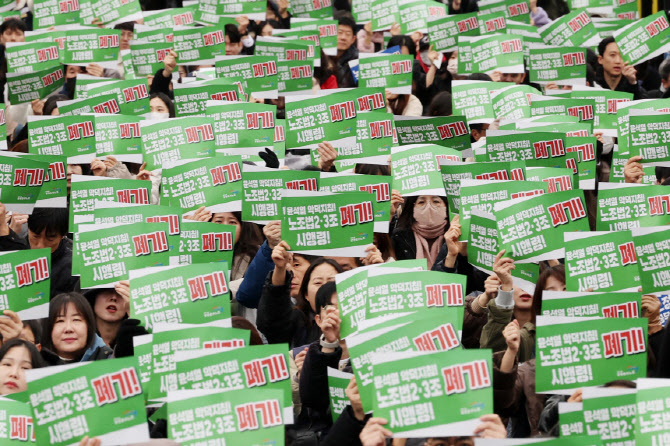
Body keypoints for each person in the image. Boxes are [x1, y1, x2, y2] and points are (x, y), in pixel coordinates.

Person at [257, 242, 343, 347]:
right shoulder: (297, 322)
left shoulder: (356, 317)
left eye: (331, 282)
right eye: (318, 283)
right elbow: (271, 322)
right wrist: (280, 269)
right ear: (306, 294)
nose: (324, 288)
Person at [0, 205, 80, 298]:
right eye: (35, 236)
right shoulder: (15, 248)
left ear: (63, 235)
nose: (40, 246)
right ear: (29, 228)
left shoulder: (74, 264)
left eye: (50, 239)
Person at [40, 292, 113, 366]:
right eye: (60, 321)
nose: (68, 329)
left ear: (89, 326)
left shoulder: (110, 361)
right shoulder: (35, 365)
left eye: (76, 320)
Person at [391, 195, 449, 268]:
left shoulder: (456, 236)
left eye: (436, 201)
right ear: (412, 208)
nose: (428, 207)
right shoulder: (400, 237)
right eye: (421, 202)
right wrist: (388, 216)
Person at [84, 281, 130, 347]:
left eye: (121, 293)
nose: (114, 298)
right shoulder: (78, 341)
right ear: (93, 298)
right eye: (106, 291)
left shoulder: (139, 339)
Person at [334, 16, 358, 88]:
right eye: (339, 33)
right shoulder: (321, 58)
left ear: (353, 39)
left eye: (348, 34)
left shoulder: (357, 61)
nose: (343, 37)